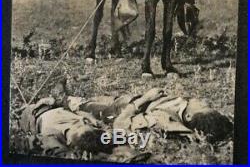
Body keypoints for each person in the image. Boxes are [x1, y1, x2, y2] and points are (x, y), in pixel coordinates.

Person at [19, 81, 233, 161]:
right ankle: (69, 99)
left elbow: (51, 149)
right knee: (97, 107)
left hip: (126, 106)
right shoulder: (192, 105)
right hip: (130, 104)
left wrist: (146, 98)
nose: (83, 123)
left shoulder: (49, 129)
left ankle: (70, 99)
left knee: (94, 106)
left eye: (80, 127)